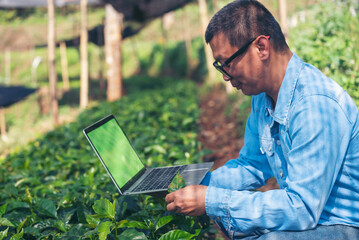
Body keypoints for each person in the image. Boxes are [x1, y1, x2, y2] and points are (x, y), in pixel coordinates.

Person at [165, 0, 359, 239]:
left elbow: (302, 208)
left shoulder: (315, 105)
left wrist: (212, 200)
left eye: (227, 63)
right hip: (310, 217)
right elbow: (251, 165)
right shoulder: (263, 98)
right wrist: (195, 184)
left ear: (261, 48)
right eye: (219, 66)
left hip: (339, 224)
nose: (225, 76)